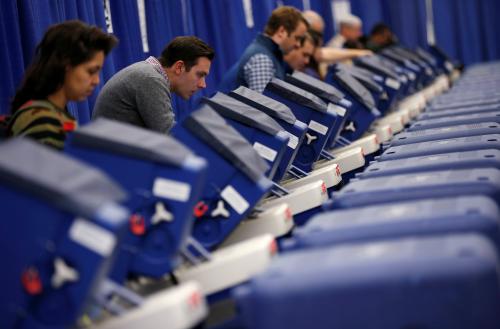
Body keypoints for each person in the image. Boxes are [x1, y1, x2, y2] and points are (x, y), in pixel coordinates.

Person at [8, 20, 117, 149]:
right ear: (65, 65)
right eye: (91, 71)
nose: (96, 81)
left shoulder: (54, 116)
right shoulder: (43, 121)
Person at [93, 36, 214, 134]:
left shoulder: (148, 73)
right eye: (200, 75)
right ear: (179, 67)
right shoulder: (151, 79)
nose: (203, 85)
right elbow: (172, 137)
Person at [219, 6, 308, 93]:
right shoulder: (262, 58)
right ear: (281, 31)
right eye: (297, 38)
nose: (298, 45)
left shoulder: (268, 53)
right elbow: (265, 106)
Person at [301, 10, 371, 79]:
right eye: (315, 34)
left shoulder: (353, 43)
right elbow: (323, 54)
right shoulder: (336, 45)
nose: (360, 34)